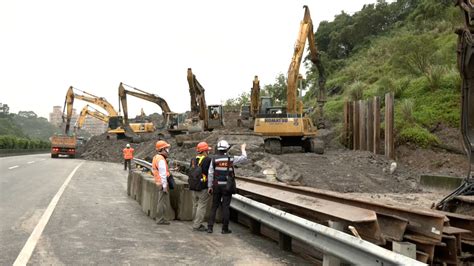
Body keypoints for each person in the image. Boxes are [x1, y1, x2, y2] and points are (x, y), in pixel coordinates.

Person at [207, 140, 247, 234]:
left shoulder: (214, 159)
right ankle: (225, 229)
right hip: (227, 186)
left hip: (216, 186)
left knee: (214, 206)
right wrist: (243, 149)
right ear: (227, 148)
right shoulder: (231, 159)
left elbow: (210, 174)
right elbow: (244, 158)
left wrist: (209, 186)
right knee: (225, 207)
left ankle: (210, 227)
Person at [190, 142, 213, 232]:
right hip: (203, 186)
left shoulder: (193, 159)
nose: (208, 152)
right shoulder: (208, 160)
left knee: (195, 205)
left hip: (193, 185)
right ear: (205, 151)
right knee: (201, 206)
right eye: (207, 150)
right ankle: (197, 225)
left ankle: (195, 222)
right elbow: (210, 173)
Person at [152, 140, 172, 225]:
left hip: (158, 182)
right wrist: (164, 186)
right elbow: (163, 174)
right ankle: (160, 219)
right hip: (162, 183)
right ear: (163, 149)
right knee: (162, 202)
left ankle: (161, 218)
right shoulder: (161, 159)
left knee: (161, 201)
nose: (168, 150)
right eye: (167, 148)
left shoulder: (156, 157)